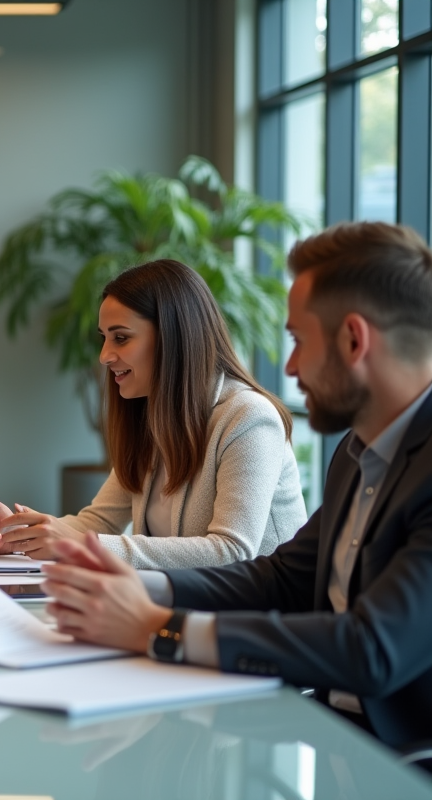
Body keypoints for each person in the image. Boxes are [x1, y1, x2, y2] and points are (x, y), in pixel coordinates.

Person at [40, 222, 432, 749]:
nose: (289, 368)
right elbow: (283, 579)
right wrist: (141, 589)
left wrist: (162, 627)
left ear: (354, 339)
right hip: (325, 723)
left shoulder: (260, 421)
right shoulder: (357, 454)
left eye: (297, 341)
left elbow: (371, 648)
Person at [0, 259, 307, 568]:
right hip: (187, 606)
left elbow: (230, 551)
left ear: (174, 338)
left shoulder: (249, 419)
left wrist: (80, 544)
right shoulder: (154, 414)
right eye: (104, 338)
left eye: (121, 338)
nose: (104, 356)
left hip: (262, 618)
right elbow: (96, 524)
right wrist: (20, 535)